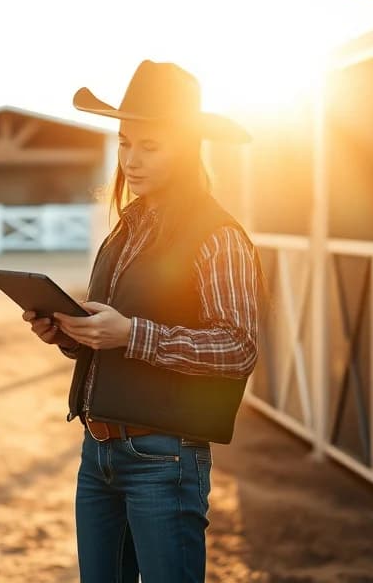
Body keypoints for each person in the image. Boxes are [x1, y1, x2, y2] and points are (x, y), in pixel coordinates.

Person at [22, 60, 263, 582]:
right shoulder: (126, 230)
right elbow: (111, 333)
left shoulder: (217, 236)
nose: (131, 159)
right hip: (99, 453)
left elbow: (238, 347)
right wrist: (71, 335)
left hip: (164, 460)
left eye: (150, 146)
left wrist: (132, 334)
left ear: (187, 146)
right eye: (126, 142)